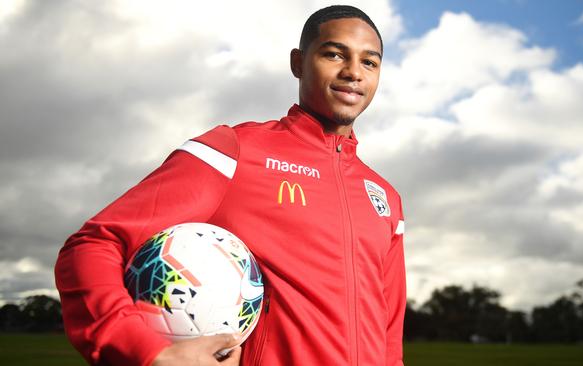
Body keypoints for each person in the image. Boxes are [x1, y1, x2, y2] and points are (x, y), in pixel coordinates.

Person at [55, 5, 406, 366]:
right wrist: (146, 350)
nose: (353, 73)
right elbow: (95, 245)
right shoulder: (233, 151)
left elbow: (390, 338)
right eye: (334, 54)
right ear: (298, 63)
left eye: (369, 62)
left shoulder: (386, 198)